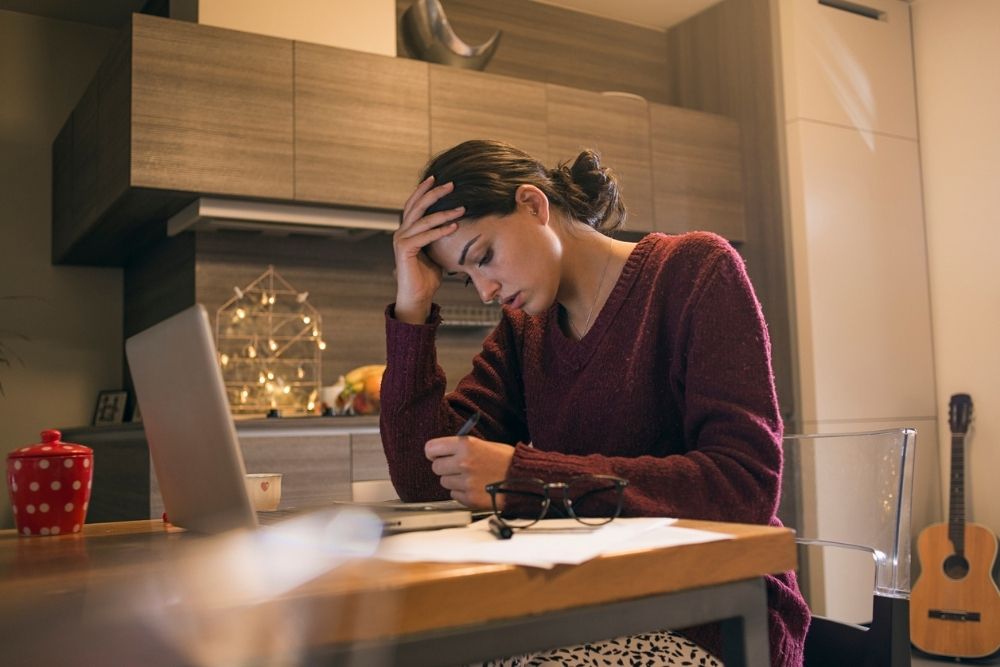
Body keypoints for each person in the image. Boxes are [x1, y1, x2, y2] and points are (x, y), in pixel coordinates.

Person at [380, 139, 809, 666]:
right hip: (588, 609)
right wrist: (412, 308)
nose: (485, 290)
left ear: (534, 205)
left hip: (716, 620)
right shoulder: (524, 332)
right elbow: (425, 481)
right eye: (465, 278)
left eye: (484, 257)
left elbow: (744, 487)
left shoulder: (695, 271)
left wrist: (526, 475)